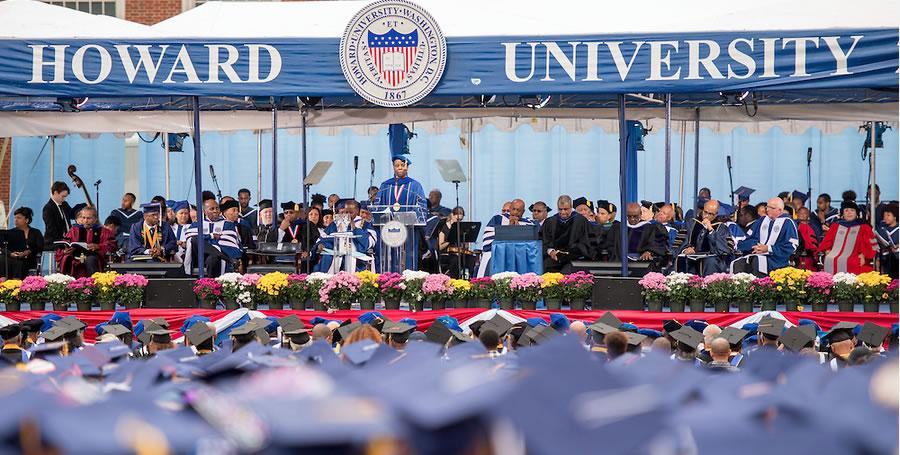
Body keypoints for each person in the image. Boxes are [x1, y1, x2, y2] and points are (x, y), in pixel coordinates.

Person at [374, 155, 428, 271]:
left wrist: (408, 217)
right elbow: (377, 208)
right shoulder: (385, 186)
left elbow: (422, 208)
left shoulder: (415, 186)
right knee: (389, 259)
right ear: (393, 167)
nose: (399, 168)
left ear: (407, 167)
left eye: (402, 165)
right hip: (389, 230)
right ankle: (388, 282)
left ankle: (408, 283)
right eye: (396, 165)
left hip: (409, 231)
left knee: (407, 260)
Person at [736, 197, 798, 274]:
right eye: (767, 207)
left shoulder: (788, 223)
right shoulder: (761, 221)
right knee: (739, 264)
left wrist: (768, 248)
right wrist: (756, 246)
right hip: (756, 257)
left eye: (771, 207)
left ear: (780, 210)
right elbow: (747, 239)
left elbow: (791, 246)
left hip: (777, 262)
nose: (767, 209)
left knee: (756, 262)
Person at [183, 198, 242, 277]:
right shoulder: (197, 224)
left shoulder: (228, 224)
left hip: (216, 258)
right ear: (205, 211)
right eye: (212, 209)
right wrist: (211, 236)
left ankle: (211, 286)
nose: (215, 211)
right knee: (195, 239)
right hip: (199, 256)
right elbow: (191, 239)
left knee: (212, 259)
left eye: (217, 208)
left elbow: (228, 241)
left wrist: (209, 243)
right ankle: (228, 259)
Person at [477, 198, 535, 277]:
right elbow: (487, 241)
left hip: (520, 255)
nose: (515, 212)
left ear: (523, 212)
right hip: (498, 254)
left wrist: (517, 229)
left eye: (518, 210)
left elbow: (531, 245)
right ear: (510, 208)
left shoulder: (528, 223)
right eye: (513, 209)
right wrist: (509, 228)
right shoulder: (498, 219)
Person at [675, 200, 735, 275]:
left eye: (710, 214)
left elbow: (724, 250)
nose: (706, 215)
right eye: (705, 212)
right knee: (682, 260)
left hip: (710, 263)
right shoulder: (690, 223)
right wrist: (685, 250)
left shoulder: (722, 228)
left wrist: (711, 230)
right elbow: (678, 243)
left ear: (716, 214)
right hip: (690, 259)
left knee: (711, 262)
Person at [817, 200, 877, 274]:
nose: (849, 213)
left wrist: (864, 255)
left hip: (856, 256)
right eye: (846, 211)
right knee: (829, 259)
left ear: (857, 213)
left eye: (852, 210)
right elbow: (827, 241)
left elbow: (872, 245)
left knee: (854, 263)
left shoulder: (864, 227)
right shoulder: (836, 226)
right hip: (836, 255)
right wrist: (827, 250)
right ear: (843, 214)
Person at [316, 200, 374, 273]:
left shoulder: (365, 224)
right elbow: (323, 238)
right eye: (346, 212)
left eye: (351, 212)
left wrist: (355, 229)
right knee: (326, 259)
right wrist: (321, 245)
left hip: (357, 260)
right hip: (336, 257)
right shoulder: (336, 223)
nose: (348, 215)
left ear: (357, 212)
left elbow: (369, 243)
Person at [55, 206, 115, 277]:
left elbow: (112, 246)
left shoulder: (104, 231)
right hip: (75, 257)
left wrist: (98, 246)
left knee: (90, 259)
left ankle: (93, 284)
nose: (85, 221)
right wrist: (65, 251)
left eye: (88, 218)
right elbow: (65, 244)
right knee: (67, 258)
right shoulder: (74, 231)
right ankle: (69, 285)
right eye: (83, 218)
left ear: (95, 219)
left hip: (94, 258)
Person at [540, 195, 590, 274]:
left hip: (573, 258)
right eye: (560, 209)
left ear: (571, 207)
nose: (563, 212)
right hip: (553, 258)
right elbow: (543, 240)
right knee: (546, 266)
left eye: (566, 209)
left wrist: (570, 253)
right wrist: (551, 251)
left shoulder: (581, 221)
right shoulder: (550, 222)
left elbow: (586, 242)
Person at [1, 207, 44, 278]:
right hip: (13, 258)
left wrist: (28, 252)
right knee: (2, 259)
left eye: (19, 218)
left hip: (29, 259)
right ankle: (6, 284)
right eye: (15, 218)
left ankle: (17, 283)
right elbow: (3, 247)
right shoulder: (11, 232)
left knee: (19, 263)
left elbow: (39, 247)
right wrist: (11, 254)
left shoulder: (36, 232)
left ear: (26, 220)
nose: (15, 220)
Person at [437, 206, 474, 278]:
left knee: (471, 259)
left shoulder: (460, 228)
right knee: (455, 260)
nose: (458, 222)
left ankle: (471, 279)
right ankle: (455, 280)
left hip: (458, 253)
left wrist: (465, 241)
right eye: (457, 219)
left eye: (460, 220)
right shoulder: (444, 227)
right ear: (452, 215)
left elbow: (464, 246)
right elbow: (440, 247)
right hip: (446, 254)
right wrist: (450, 239)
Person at [42, 181, 73, 249]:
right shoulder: (48, 209)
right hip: (53, 241)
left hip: (66, 240)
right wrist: (64, 240)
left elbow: (73, 214)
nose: (64, 199)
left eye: (65, 197)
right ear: (55, 193)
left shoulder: (65, 204)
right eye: (63, 196)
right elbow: (51, 229)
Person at [875, 203, 899, 278]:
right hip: (885, 259)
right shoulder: (882, 230)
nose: (885, 218)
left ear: (895, 216)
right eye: (884, 215)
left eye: (888, 215)